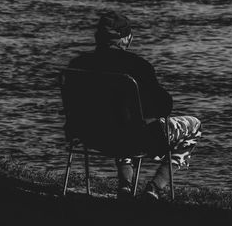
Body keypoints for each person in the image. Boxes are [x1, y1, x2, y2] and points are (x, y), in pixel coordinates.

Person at [68, 10, 202, 200]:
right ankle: (155, 188)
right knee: (193, 126)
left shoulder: (76, 64)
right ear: (125, 39)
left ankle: (125, 185)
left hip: (89, 135)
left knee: (120, 120)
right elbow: (164, 107)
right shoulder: (138, 66)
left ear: (98, 37)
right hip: (131, 139)